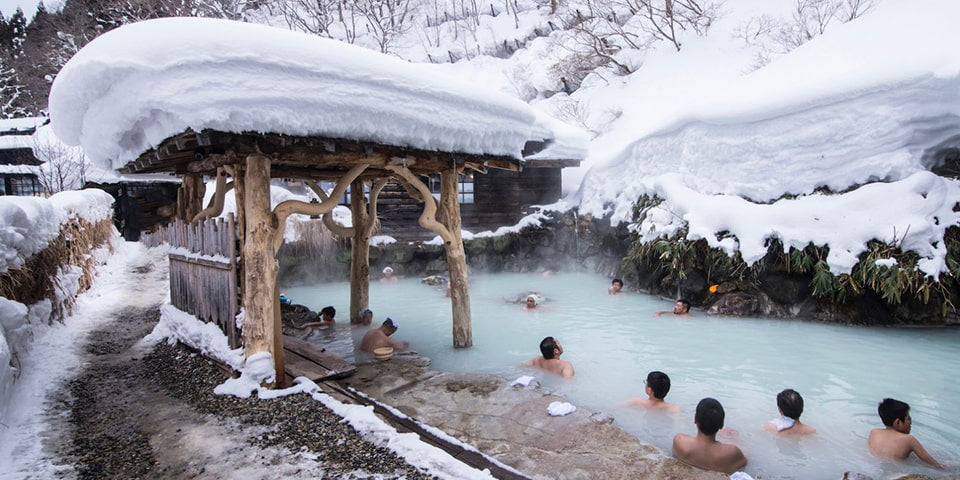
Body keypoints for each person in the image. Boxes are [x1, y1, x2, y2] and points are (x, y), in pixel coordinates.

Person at [672, 397, 748, 474]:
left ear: (695, 419)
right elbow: (745, 461)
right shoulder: (732, 453)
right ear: (721, 425)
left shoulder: (679, 441)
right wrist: (733, 440)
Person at [868, 398, 946, 468]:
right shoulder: (909, 439)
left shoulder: (874, 432)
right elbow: (934, 464)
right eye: (908, 419)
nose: (910, 423)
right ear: (898, 422)